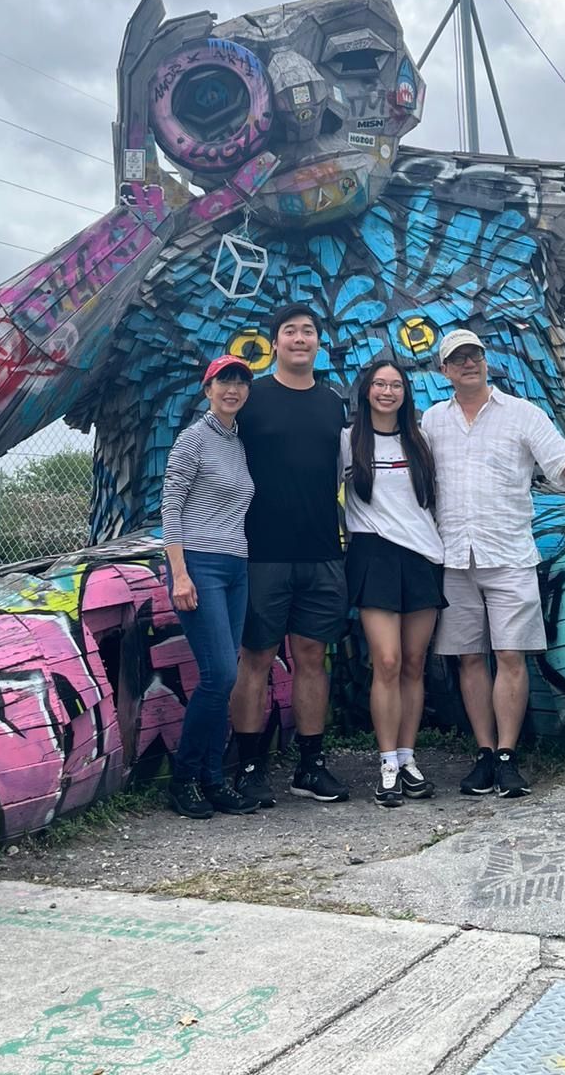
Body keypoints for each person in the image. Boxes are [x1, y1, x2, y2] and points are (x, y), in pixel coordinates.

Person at [422, 328, 565, 800]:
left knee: (510, 654)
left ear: (486, 362)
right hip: (453, 556)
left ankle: (507, 755)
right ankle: (483, 752)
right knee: (468, 658)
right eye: (458, 358)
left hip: (508, 553)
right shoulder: (432, 422)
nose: (469, 363)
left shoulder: (522, 414)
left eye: (475, 355)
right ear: (444, 370)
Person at [229, 304, 350, 806]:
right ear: (274, 343)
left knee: (311, 659)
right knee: (255, 659)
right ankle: (251, 768)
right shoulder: (249, 400)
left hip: (322, 550)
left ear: (318, 343)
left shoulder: (333, 403)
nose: (300, 339)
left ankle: (310, 765)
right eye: (290, 332)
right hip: (260, 553)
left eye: (308, 332)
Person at [342, 357, 446, 808]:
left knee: (413, 664)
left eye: (396, 385)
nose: (387, 391)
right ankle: (385, 763)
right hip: (373, 555)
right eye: (380, 384)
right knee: (385, 661)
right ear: (366, 391)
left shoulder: (420, 441)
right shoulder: (347, 441)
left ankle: (407, 758)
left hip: (422, 556)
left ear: (405, 393)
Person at [161, 355, 259, 819]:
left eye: (240, 382)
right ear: (208, 389)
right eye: (224, 381)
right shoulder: (193, 439)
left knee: (225, 678)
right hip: (198, 564)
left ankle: (213, 780)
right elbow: (171, 508)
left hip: (236, 564)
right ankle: (184, 780)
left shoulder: (239, 443)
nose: (233, 389)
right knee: (219, 675)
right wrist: (179, 573)